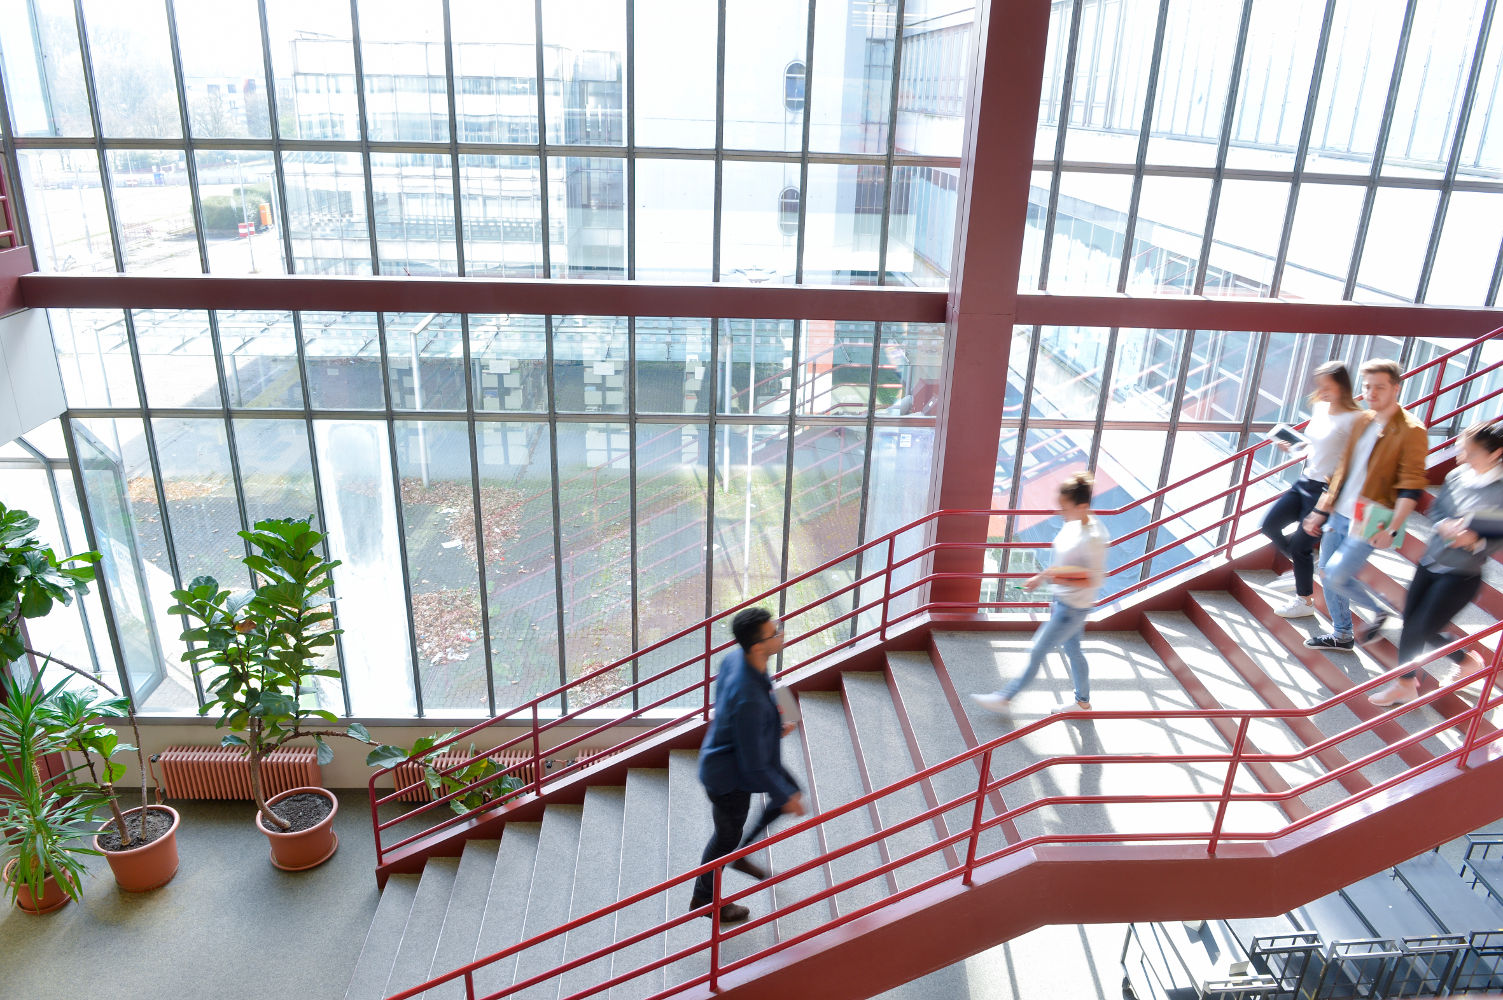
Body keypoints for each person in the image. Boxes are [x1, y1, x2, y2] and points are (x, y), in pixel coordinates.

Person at [1370, 420, 1503, 706]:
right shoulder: (1457, 476)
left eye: (1470, 452)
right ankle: (1466, 661)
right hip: (1431, 561)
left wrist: (1474, 539)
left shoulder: (1499, 491)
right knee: (1414, 623)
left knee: (1419, 627)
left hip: (1461, 574)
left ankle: (1405, 684)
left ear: (1494, 454)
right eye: (1461, 449)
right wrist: (1444, 524)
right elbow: (1437, 509)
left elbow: (1497, 533)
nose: (1462, 456)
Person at [1301, 358, 1429, 651]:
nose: (1371, 393)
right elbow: (1343, 470)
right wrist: (1322, 509)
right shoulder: (1362, 419)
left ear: (1396, 388)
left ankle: (1380, 609)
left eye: (1380, 387)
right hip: (1341, 512)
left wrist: (1394, 529)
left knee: (1335, 574)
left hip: (1374, 515)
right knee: (1326, 573)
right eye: (1367, 386)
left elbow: (1411, 486)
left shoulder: (1411, 430)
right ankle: (1342, 634)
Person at [690, 607, 806, 924]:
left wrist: (768, 725)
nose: (781, 634)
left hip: (730, 756)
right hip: (729, 778)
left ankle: (740, 854)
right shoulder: (749, 698)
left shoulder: (739, 660)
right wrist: (787, 797)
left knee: (786, 794)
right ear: (757, 645)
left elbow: (733, 710)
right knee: (724, 839)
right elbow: (753, 766)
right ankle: (703, 898)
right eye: (775, 632)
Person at [972, 471, 1110, 714]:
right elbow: (1066, 562)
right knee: (1074, 651)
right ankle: (1083, 703)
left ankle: (1006, 697)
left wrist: (1055, 578)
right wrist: (1042, 577)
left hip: (1072, 608)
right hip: (1063, 601)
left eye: (1065, 508)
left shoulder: (1095, 538)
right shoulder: (1075, 523)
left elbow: (1093, 579)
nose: (1061, 513)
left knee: (1037, 650)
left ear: (1083, 506)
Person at [1260, 362, 1362, 618]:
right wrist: (1294, 447)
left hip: (1325, 490)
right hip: (1305, 481)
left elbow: (1352, 462)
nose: (1322, 391)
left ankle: (1304, 601)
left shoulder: (1354, 419)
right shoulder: (1320, 407)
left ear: (1342, 386)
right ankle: (1302, 564)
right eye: (1320, 386)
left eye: (1327, 387)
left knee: (1300, 546)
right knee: (1269, 525)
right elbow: (1316, 446)